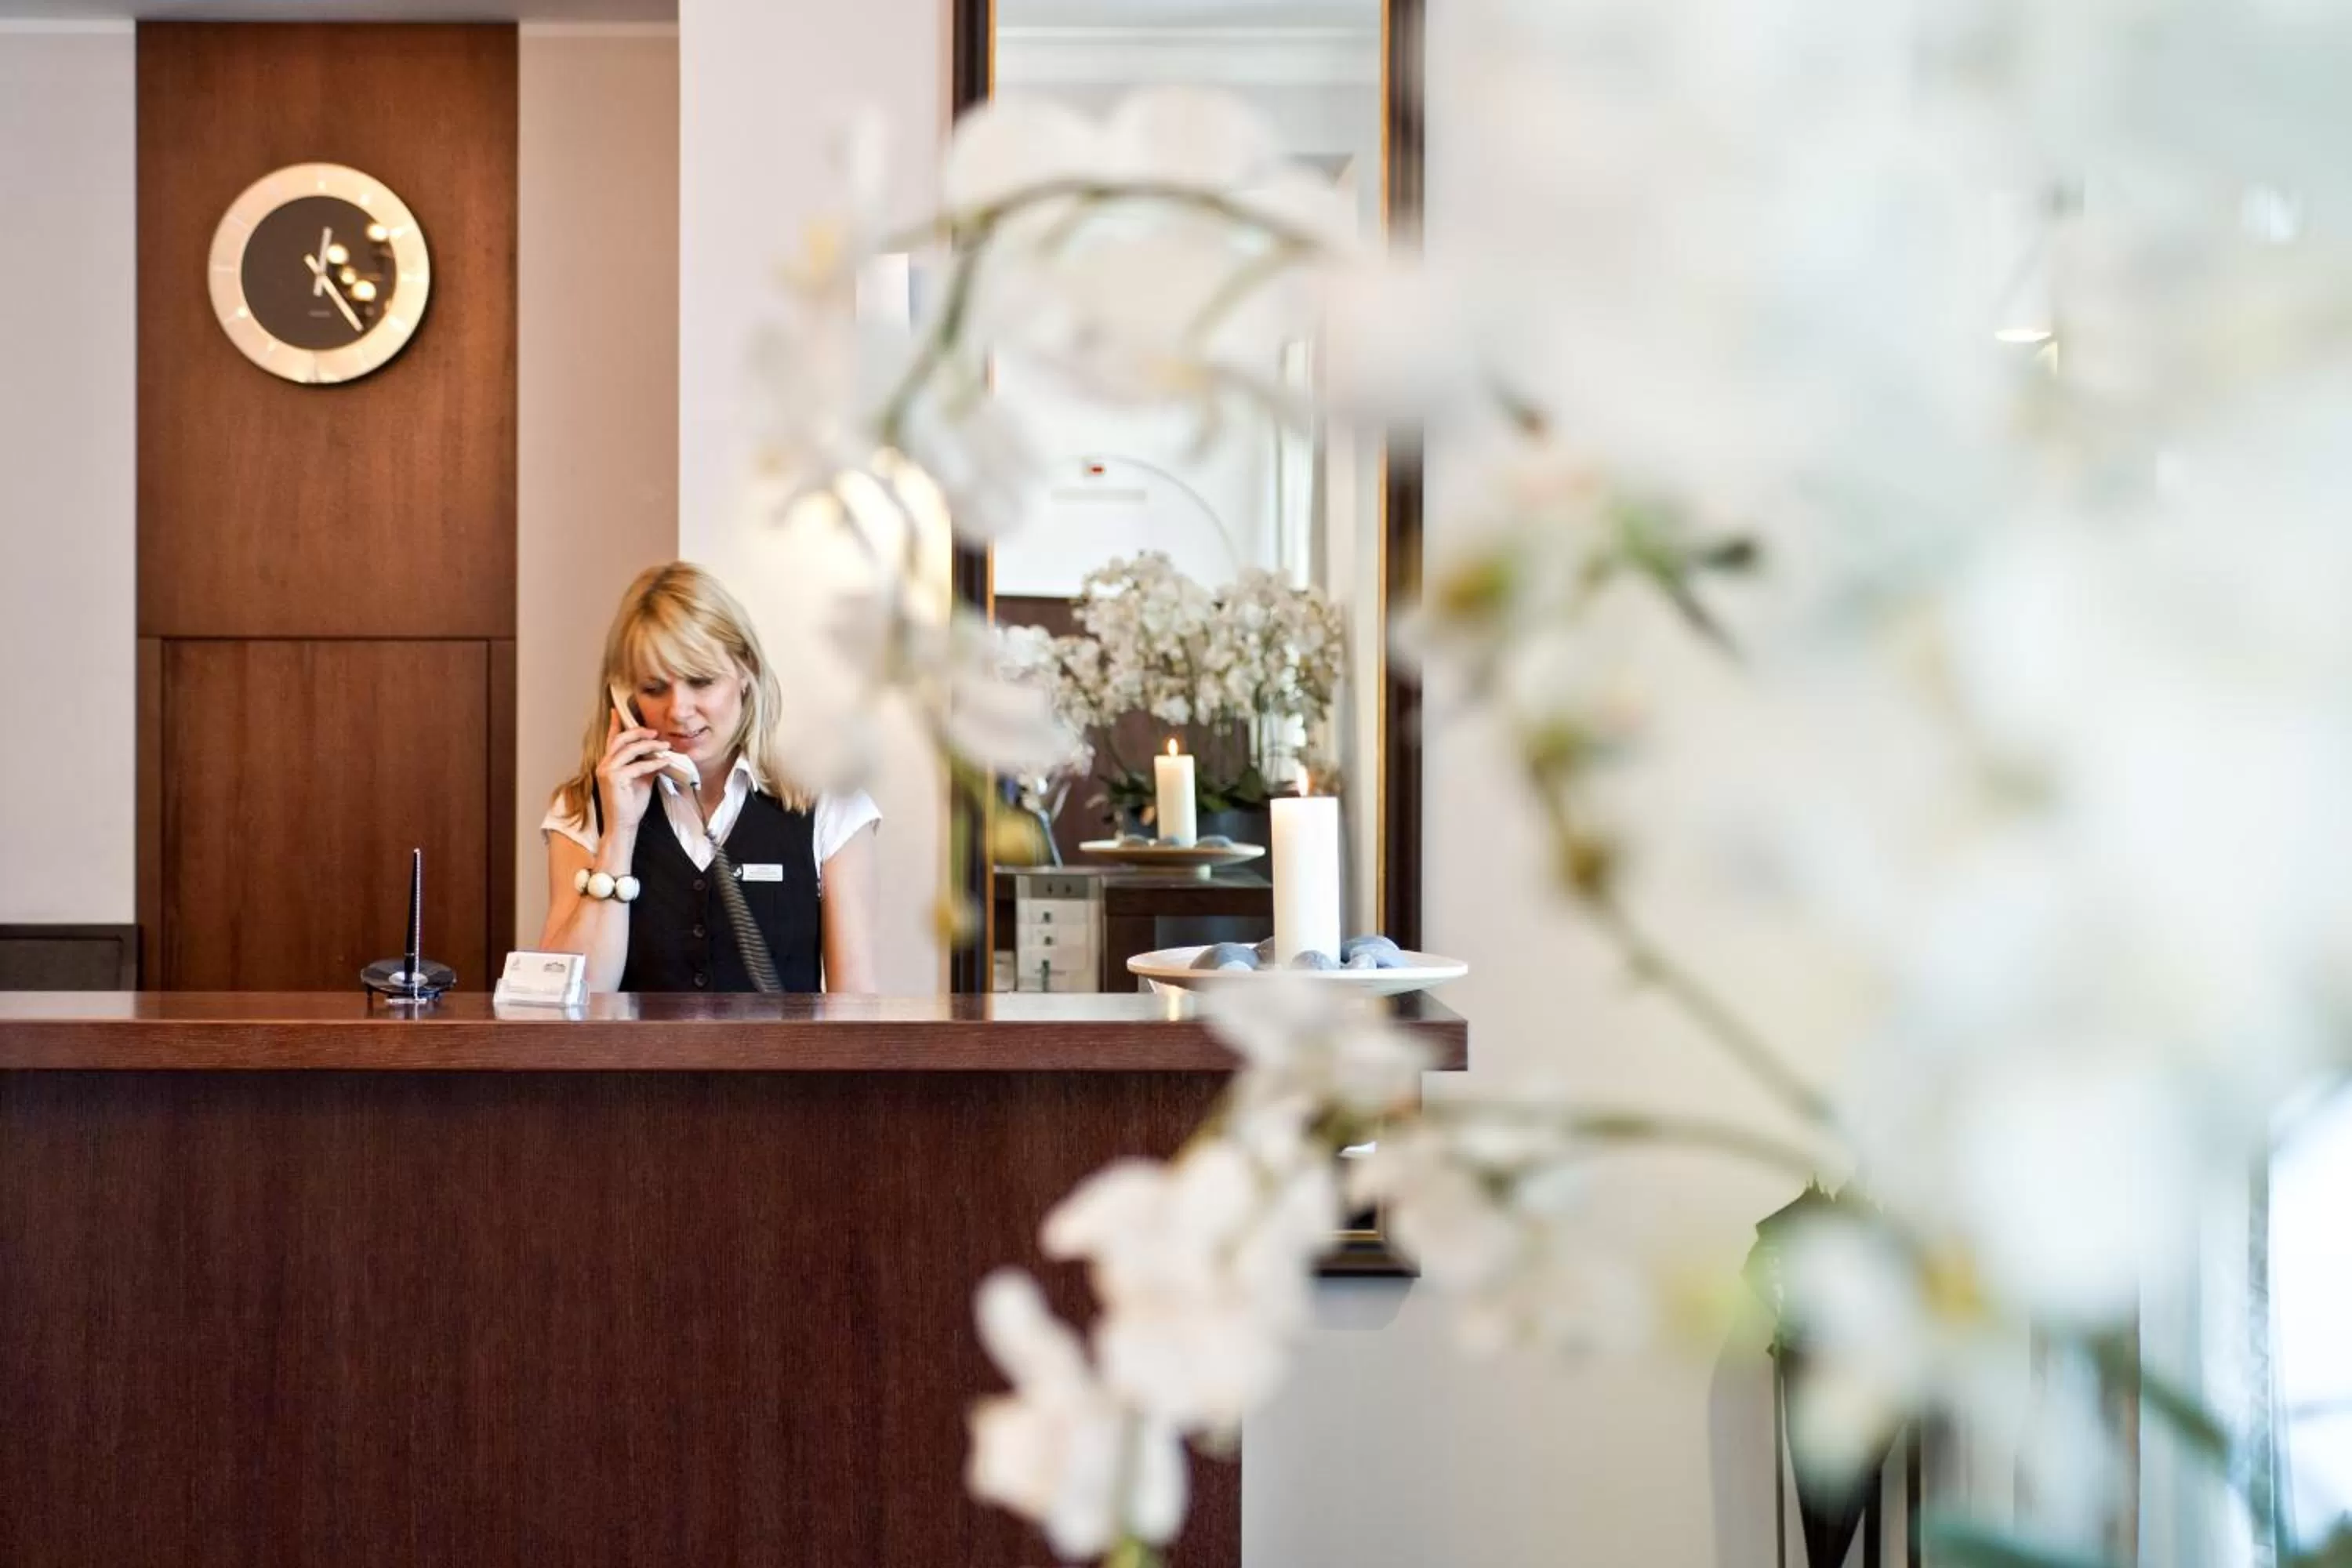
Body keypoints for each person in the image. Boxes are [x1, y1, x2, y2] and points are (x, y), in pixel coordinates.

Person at [539, 561, 879, 993]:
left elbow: (856, 1010)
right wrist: (618, 834)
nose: (679, 710)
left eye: (701, 682)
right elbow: (568, 1001)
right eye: (654, 688)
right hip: (631, 1063)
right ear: (625, 697)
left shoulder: (830, 804)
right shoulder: (582, 809)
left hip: (779, 1062)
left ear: (745, 672)